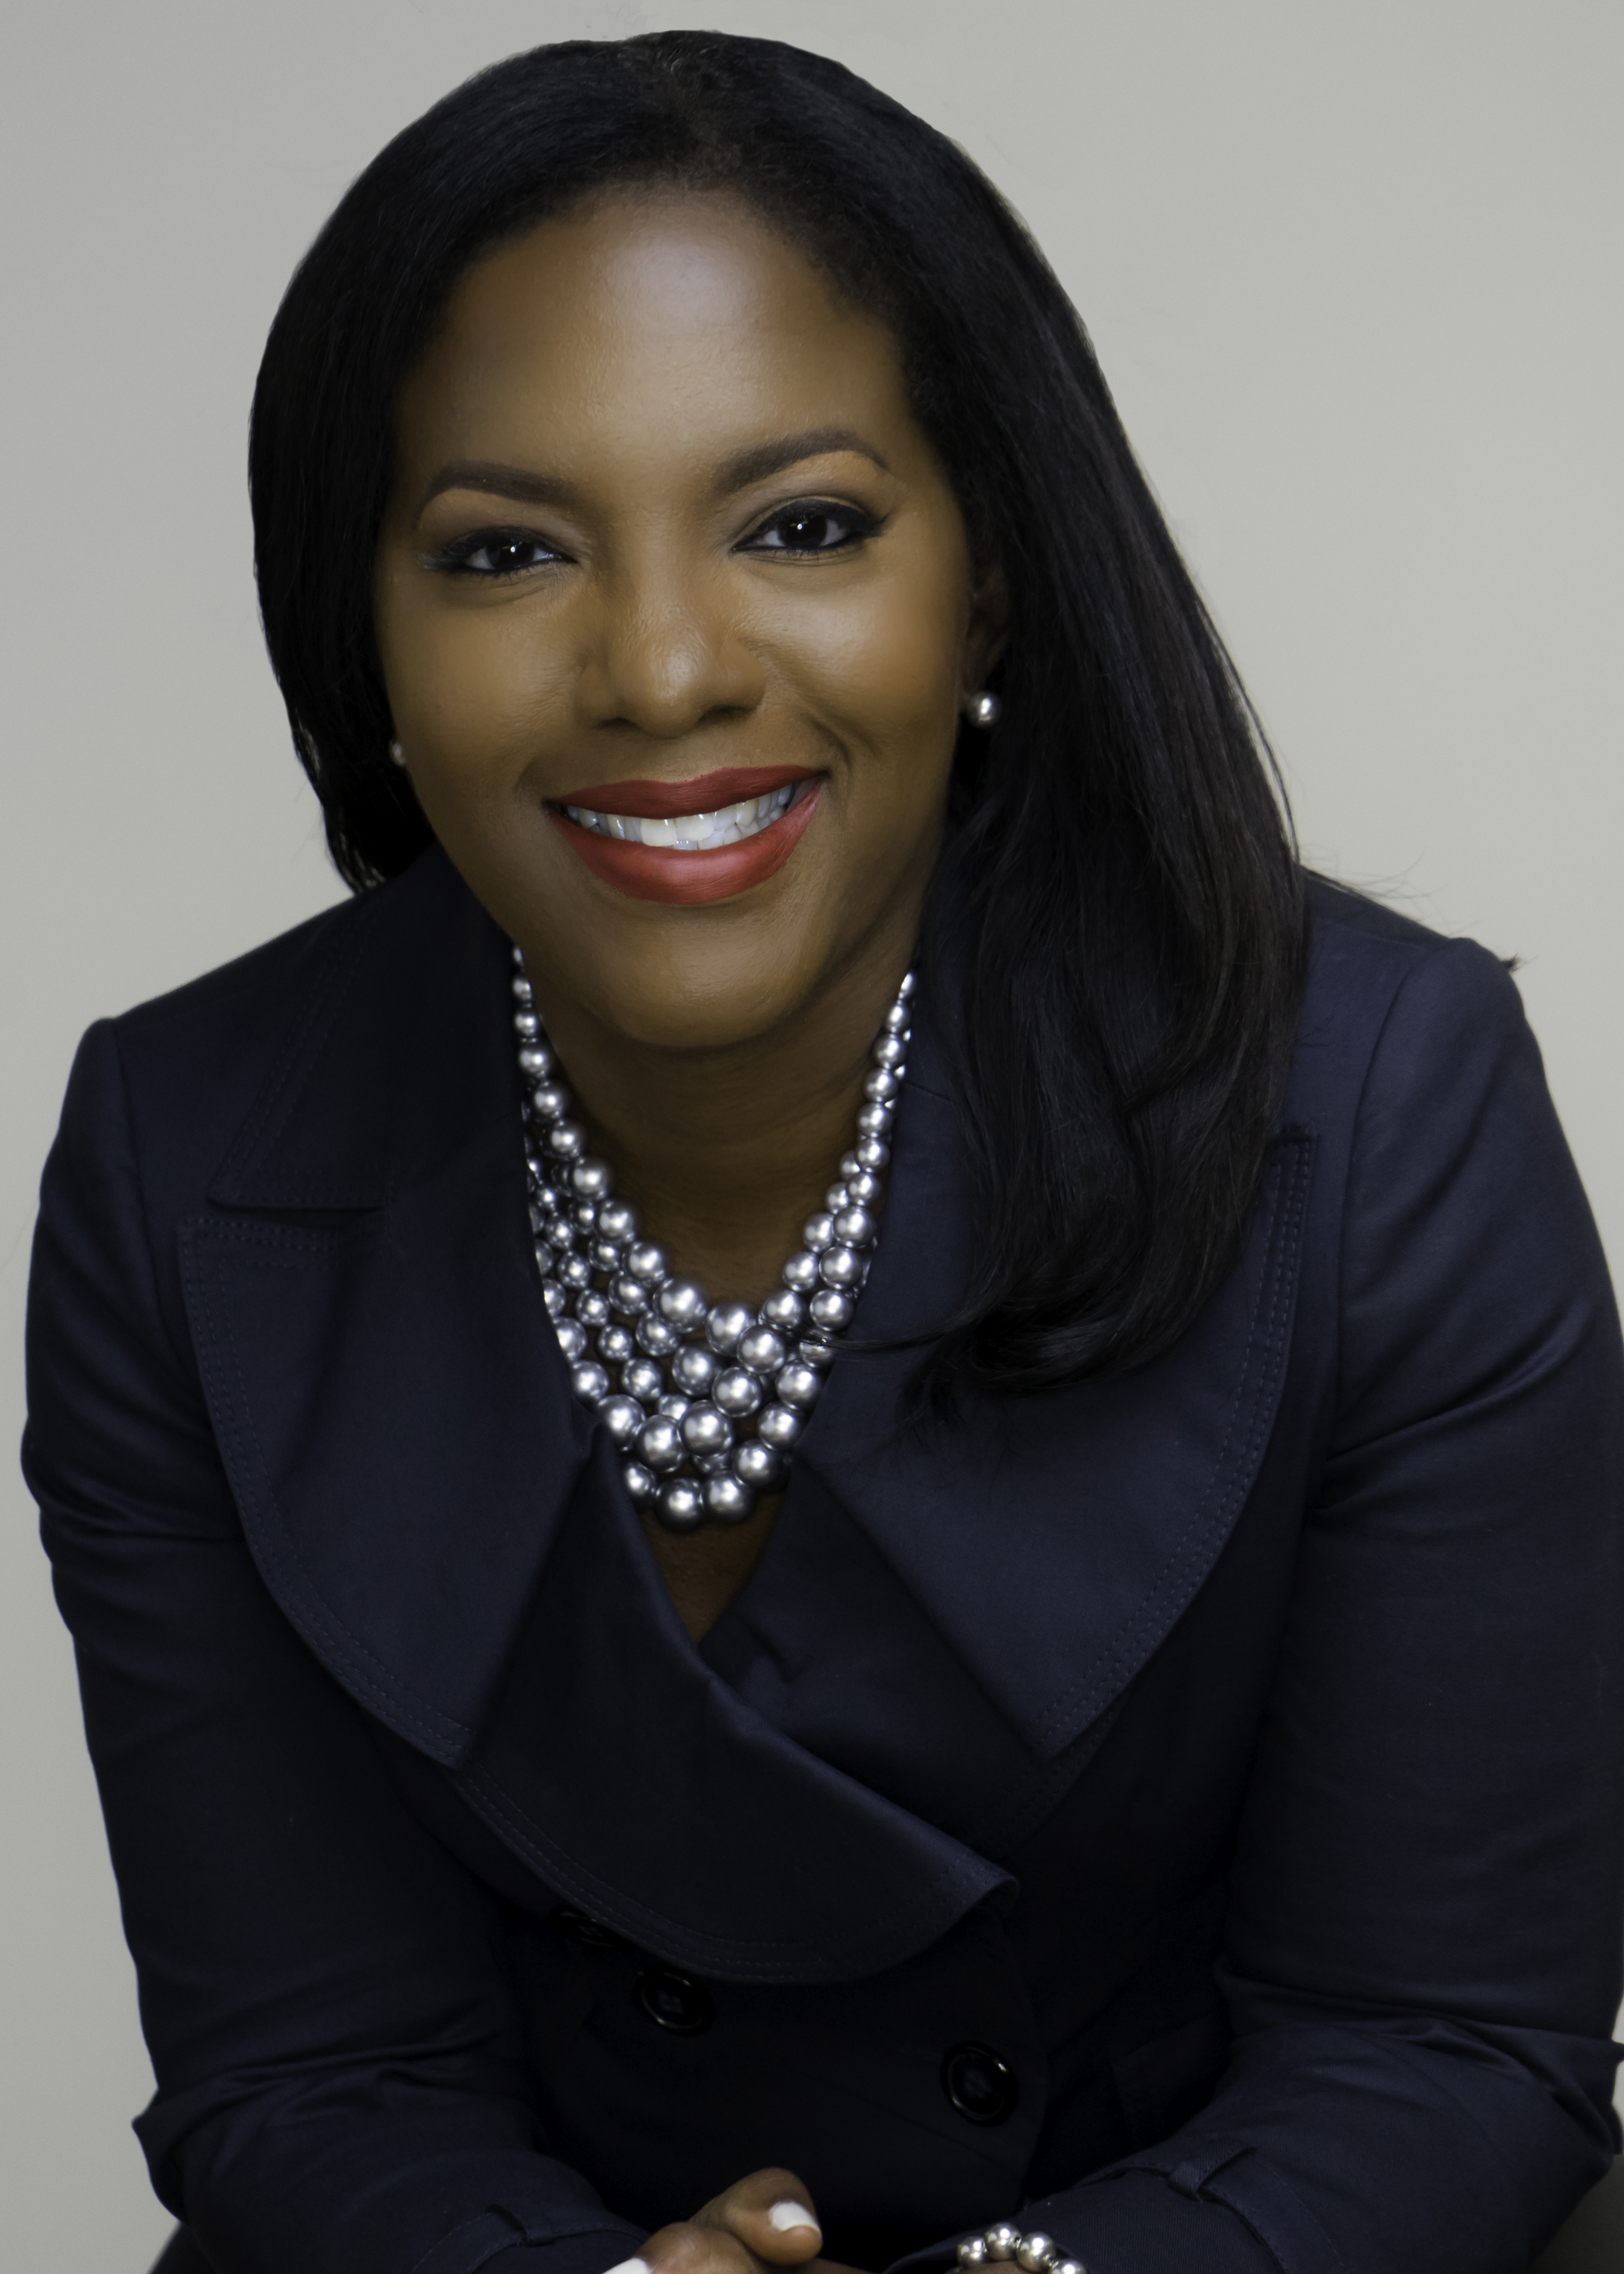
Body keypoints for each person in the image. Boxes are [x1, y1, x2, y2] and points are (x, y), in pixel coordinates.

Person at [22, 29, 1624, 2274]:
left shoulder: (1375, 1095)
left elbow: (1440, 2041)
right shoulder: (182, 1157)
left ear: (989, 581)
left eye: (804, 526)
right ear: (364, 625)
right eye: (504, 550)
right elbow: (311, 2070)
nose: (663, 667)